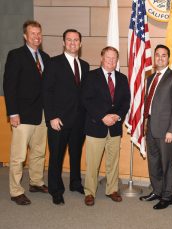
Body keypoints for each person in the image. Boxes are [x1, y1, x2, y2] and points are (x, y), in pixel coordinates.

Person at [3, 20, 50, 205]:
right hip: (22, 115)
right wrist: (13, 112)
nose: (37, 37)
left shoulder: (45, 57)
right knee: (19, 156)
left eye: (39, 33)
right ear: (25, 36)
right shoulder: (16, 55)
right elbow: (9, 86)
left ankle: (36, 182)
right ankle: (16, 191)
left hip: (42, 114)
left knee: (38, 152)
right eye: (33, 34)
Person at [43, 29, 90, 205]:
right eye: (69, 40)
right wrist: (52, 117)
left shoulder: (84, 65)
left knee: (76, 154)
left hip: (79, 121)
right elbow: (47, 92)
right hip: (59, 120)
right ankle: (56, 190)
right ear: (63, 43)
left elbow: (84, 94)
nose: (72, 43)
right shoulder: (53, 63)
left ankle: (75, 183)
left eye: (76, 40)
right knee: (56, 156)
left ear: (80, 43)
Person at [81, 46, 130, 206]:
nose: (110, 61)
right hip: (96, 126)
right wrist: (102, 116)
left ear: (117, 60)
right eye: (108, 58)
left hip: (115, 127)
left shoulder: (122, 78)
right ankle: (89, 192)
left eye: (114, 58)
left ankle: (112, 189)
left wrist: (118, 116)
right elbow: (86, 100)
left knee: (113, 161)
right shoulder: (90, 76)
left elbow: (125, 102)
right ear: (101, 58)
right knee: (93, 163)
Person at [139, 44, 172, 210]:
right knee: (153, 162)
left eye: (163, 55)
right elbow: (148, 103)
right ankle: (156, 191)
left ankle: (167, 196)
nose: (160, 58)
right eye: (157, 55)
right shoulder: (150, 78)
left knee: (167, 164)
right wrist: (145, 123)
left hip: (166, 131)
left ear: (168, 58)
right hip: (150, 127)